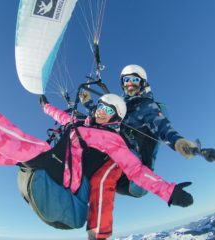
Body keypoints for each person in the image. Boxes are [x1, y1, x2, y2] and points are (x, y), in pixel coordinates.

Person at [0, 60, 194, 239]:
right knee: (16, 155)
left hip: (69, 182)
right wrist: (45, 106)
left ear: (117, 118)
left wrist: (170, 191)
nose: (101, 113)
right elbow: (63, 118)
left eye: (109, 111)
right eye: (100, 108)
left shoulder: (116, 138)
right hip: (59, 173)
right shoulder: (85, 122)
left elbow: (137, 169)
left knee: (32, 148)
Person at [80, 64, 196, 239]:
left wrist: (178, 142)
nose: (130, 84)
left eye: (135, 80)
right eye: (127, 80)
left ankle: (98, 233)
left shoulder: (146, 106)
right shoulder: (123, 105)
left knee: (105, 172)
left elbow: (163, 127)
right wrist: (88, 102)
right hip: (119, 163)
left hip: (134, 174)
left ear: (142, 83)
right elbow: (103, 117)